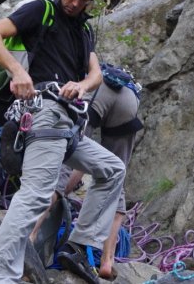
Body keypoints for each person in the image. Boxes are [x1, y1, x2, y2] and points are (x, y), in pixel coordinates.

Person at [0, 0, 126, 284]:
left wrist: (81, 85)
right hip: (45, 112)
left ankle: (79, 243)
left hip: (69, 122)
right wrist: (17, 70)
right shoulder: (40, 12)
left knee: (113, 170)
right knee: (35, 195)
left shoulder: (85, 30)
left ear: (91, 1)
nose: (74, 2)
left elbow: (96, 75)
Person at [56, 79, 143, 278]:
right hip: (130, 100)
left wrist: (63, 192)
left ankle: (32, 237)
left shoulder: (84, 77)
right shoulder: (120, 80)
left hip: (96, 94)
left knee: (66, 156)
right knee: (116, 178)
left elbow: (81, 162)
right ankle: (107, 261)